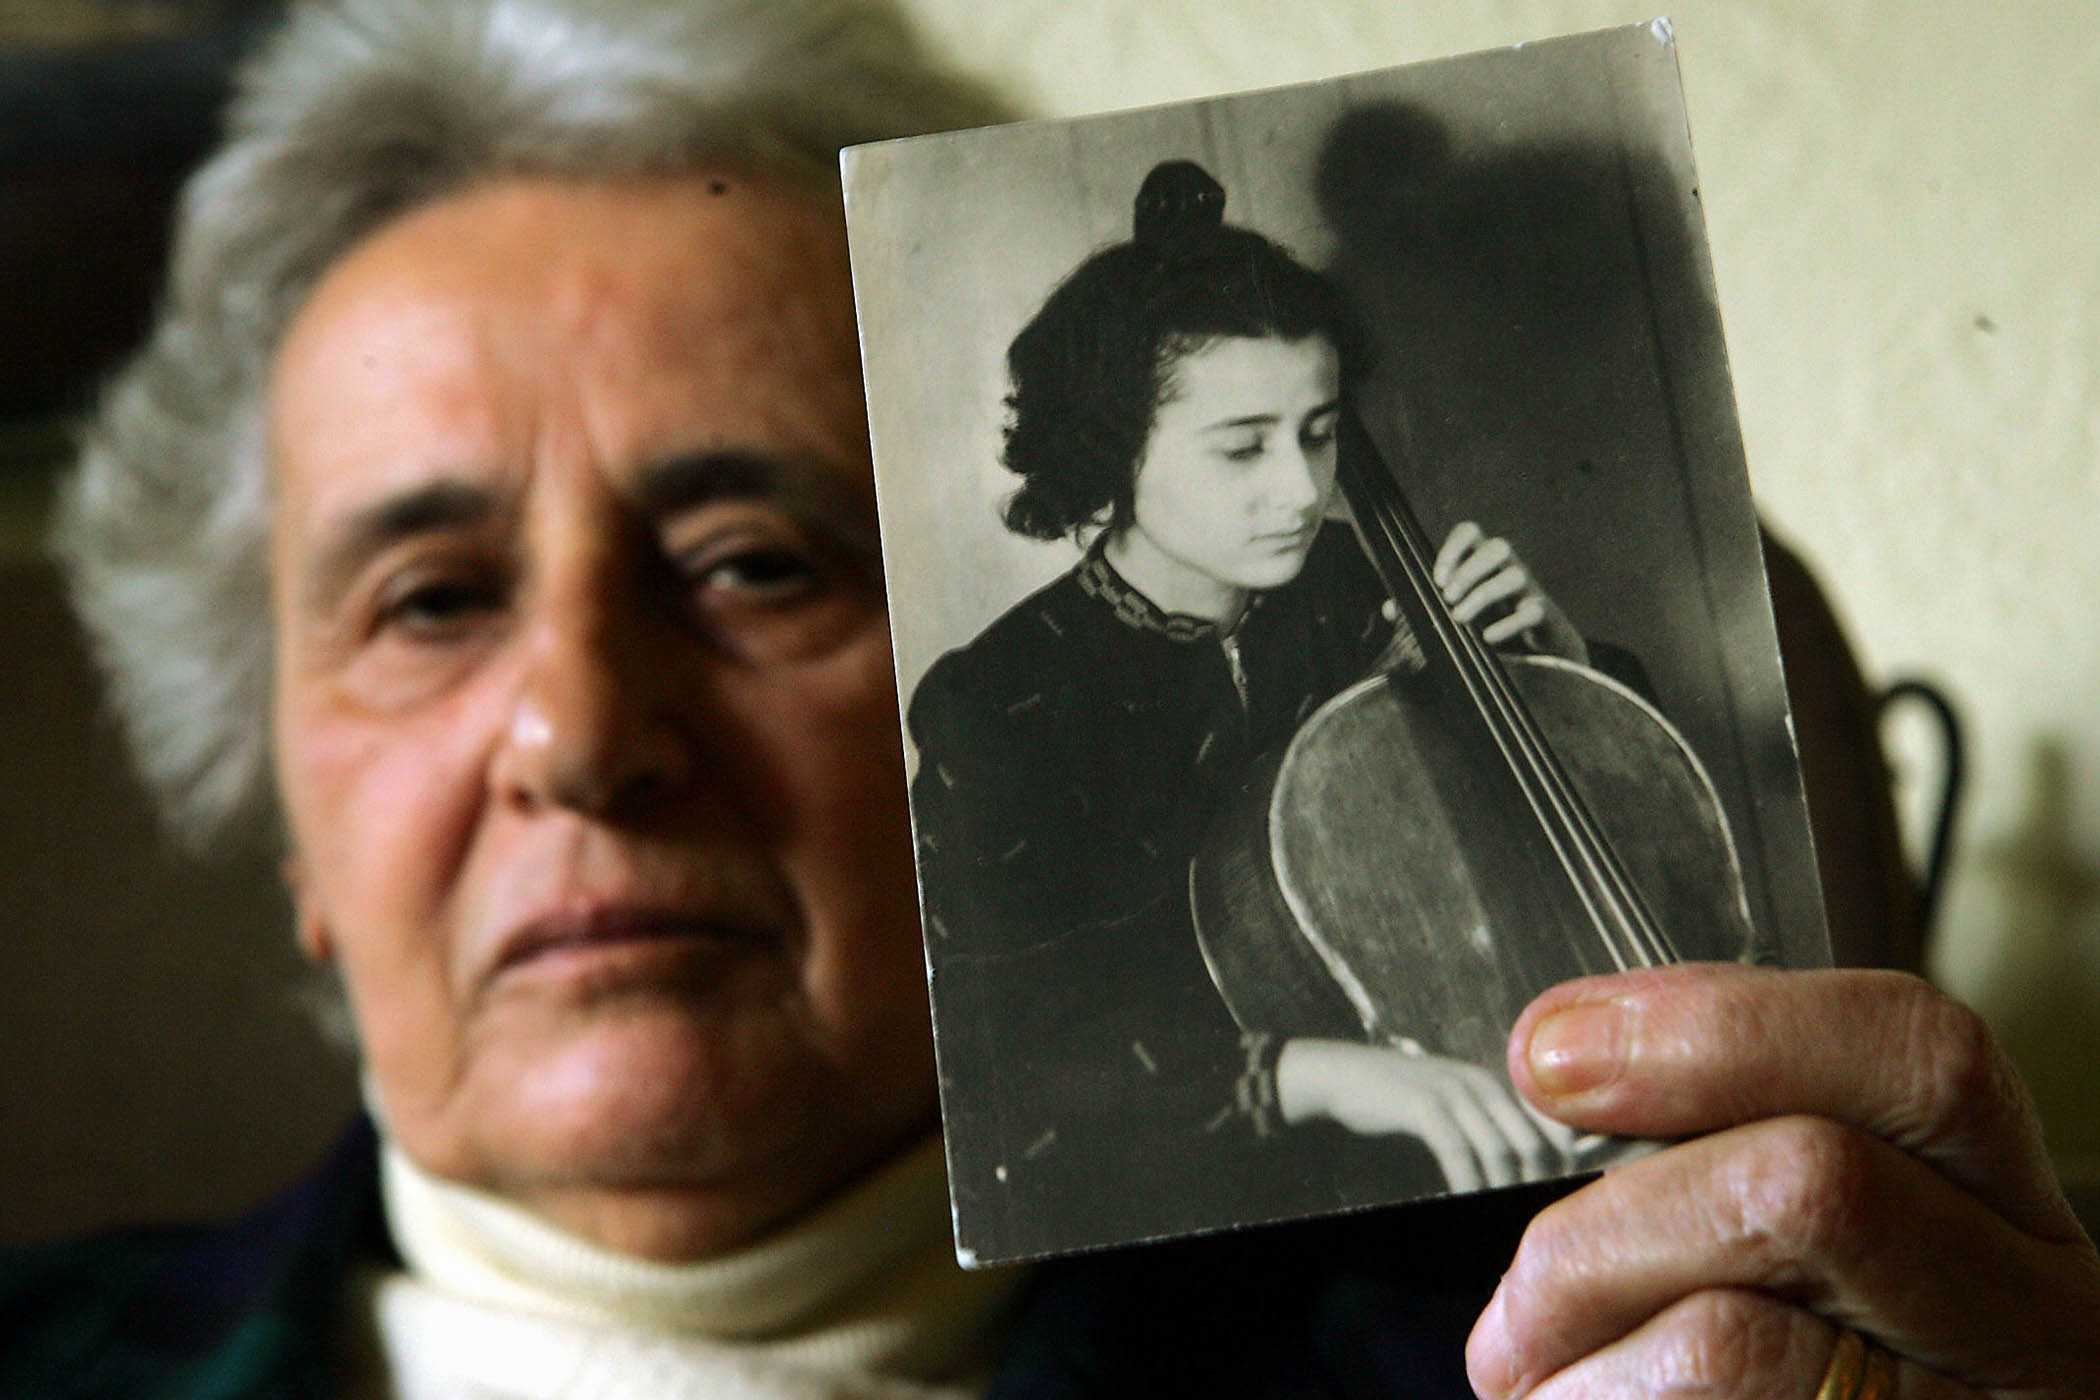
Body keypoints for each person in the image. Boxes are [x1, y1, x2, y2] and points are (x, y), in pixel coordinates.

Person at [5, 0, 2097, 1396]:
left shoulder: (1561, 1363)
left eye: (753, 564)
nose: (578, 731)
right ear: (284, 804)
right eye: (431, 596)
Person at [908, 158, 1694, 1259]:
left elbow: (1605, 830)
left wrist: (1556, 665)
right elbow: (999, 1066)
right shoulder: (996, 701)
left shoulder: (1358, 580)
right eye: (1242, 447)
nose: (1300, 487)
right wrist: (1305, 1069)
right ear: (1109, 452)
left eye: (1320, 432)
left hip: (1469, 1156)